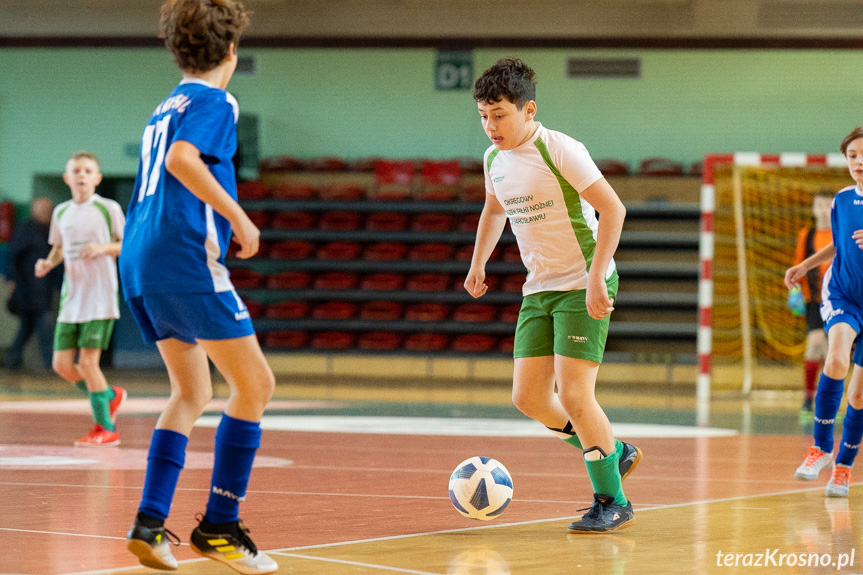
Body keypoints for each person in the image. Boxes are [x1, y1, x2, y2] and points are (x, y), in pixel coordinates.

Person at [121, 1, 277, 572]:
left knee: (191, 394)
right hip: (182, 257)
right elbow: (184, 161)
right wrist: (239, 216)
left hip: (139, 261)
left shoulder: (166, 105)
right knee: (255, 385)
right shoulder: (217, 99)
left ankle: (149, 522)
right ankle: (220, 526)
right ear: (231, 51)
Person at [464, 58, 641, 533]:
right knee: (529, 398)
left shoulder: (559, 148)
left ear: (528, 110)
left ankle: (612, 499)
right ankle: (614, 452)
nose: (490, 125)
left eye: (499, 115)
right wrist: (478, 261)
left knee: (577, 394)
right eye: (483, 115)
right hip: (538, 287)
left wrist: (598, 275)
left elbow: (613, 209)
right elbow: (493, 209)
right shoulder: (492, 160)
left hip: (582, 282)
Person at [787, 126, 863, 498]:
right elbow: (838, 243)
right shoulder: (842, 200)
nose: (859, 162)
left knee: (859, 395)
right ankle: (820, 447)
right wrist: (804, 265)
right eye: (852, 156)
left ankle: (844, 468)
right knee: (834, 359)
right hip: (844, 296)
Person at [35, 152, 127, 447]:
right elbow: (59, 249)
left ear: (97, 177)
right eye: (76, 171)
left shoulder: (108, 208)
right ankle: (108, 395)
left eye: (88, 170)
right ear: (67, 177)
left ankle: (105, 428)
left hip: (100, 297)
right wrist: (48, 263)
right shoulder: (61, 212)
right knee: (61, 365)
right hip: (71, 298)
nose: (82, 175)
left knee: (89, 364)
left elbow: (127, 245)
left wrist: (102, 248)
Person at [791, 190, 833, 423]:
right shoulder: (807, 235)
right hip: (814, 301)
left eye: (828, 205)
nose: (823, 209)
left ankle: (826, 401)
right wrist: (795, 291)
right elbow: (798, 264)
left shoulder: (840, 232)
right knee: (816, 342)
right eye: (819, 204)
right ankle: (808, 398)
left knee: (830, 352)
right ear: (813, 209)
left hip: (837, 300)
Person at [5, 197, 61, 370]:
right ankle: (50, 364)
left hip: (45, 288)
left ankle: (13, 360)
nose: (45, 212)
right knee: (43, 326)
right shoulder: (26, 229)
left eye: (48, 208)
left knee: (28, 327)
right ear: (33, 210)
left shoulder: (53, 229)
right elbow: (13, 256)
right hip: (27, 288)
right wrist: (11, 280)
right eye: (41, 208)